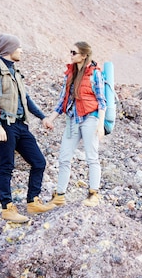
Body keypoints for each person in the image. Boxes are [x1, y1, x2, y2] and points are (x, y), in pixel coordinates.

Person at [0, 34, 55, 223]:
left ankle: (33, 201)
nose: (21, 50)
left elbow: (27, 99)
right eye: (19, 47)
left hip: (21, 125)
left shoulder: (16, 72)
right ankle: (7, 208)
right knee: (7, 166)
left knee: (39, 162)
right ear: (9, 49)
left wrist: (42, 117)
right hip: (4, 125)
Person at [43, 41, 106, 207]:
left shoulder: (95, 74)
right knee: (64, 157)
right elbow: (62, 100)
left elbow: (101, 101)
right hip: (72, 119)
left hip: (90, 118)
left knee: (92, 157)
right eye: (70, 52)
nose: (71, 55)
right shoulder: (69, 73)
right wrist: (51, 118)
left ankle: (94, 194)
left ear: (84, 55)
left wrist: (100, 125)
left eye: (74, 52)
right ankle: (60, 195)